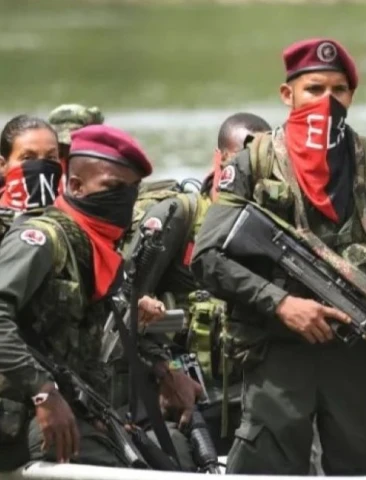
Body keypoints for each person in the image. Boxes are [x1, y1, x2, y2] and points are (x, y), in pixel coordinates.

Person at [191, 38, 366, 475]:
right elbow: (208, 257)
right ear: (288, 95)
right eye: (314, 89)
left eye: (338, 90)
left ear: (352, 96)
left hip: (358, 355)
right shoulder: (253, 164)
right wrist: (281, 304)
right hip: (276, 352)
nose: (327, 101)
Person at [0, 125, 199, 470]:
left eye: (131, 190)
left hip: (73, 408)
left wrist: (164, 369)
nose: (123, 199)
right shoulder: (43, 239)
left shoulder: (95, 247)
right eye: (111, 188)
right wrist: (43, 392)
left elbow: (103, 333)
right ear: (75, 185)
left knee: (173, 455)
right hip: (20, 418)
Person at [120, 112, 271, 456]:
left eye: (261, 164)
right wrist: (165, 371)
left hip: (250, 395)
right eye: (240, 162)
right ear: (219, 160)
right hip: (181, 396)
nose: (250, 174)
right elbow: (122, 310)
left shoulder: (272, 221)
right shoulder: (178, 217)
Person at [0, 115, 64, 237]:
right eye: (28, 158)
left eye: (51, 157)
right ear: (3, 165)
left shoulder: (72, 220)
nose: (41, 166)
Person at [47, 104, 104, 192]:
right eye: (59, 144)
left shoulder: (102, 167)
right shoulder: (48, 168)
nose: (61, 150)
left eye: (67, 145)